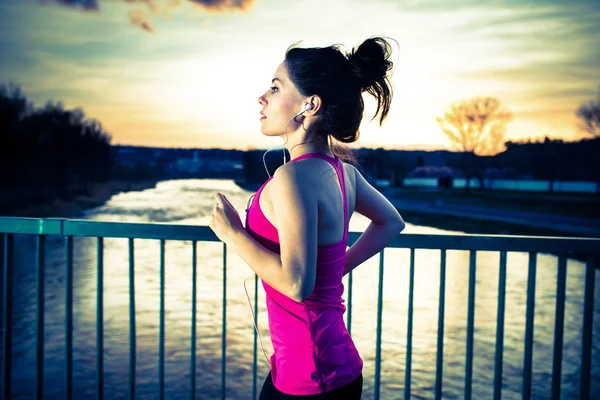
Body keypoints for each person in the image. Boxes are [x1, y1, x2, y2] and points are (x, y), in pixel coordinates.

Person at [209, 37, 405, 399]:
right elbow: (391, 222)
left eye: (275, 87)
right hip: (329, 369)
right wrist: (335, 268)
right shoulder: (343, 173)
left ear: (310, 105)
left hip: (310, 379)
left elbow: (297, 284)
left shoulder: (292, 177)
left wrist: (233, 233)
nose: (262, 98)